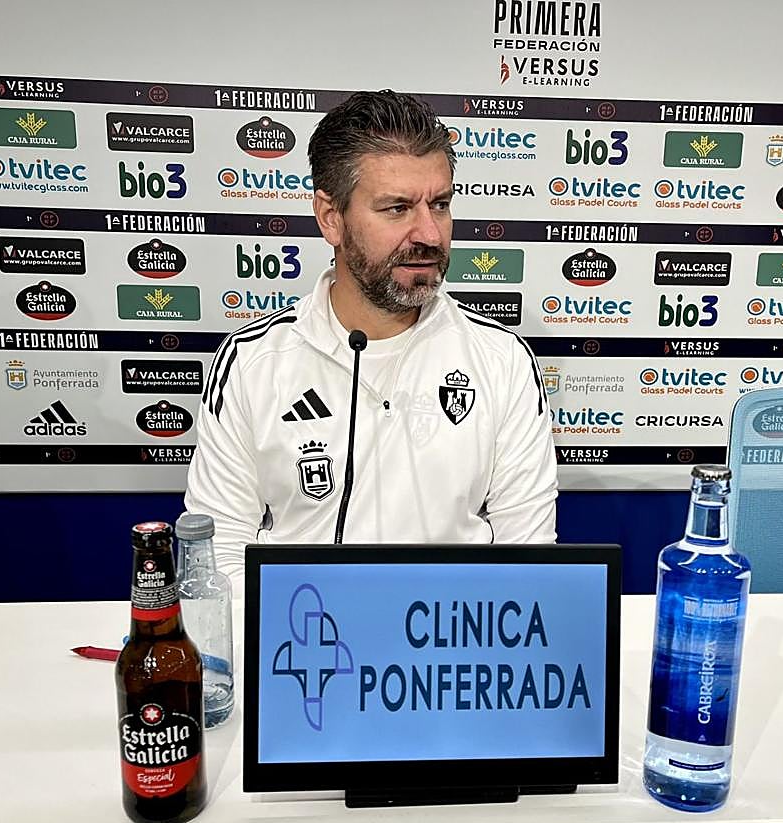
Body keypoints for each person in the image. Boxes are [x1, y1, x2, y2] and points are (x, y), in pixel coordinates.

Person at [184, 90, 557, 578]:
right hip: (303, 635)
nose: (429, 233)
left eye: (439, 205)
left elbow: (528, 557)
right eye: (397, 208)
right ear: (330, 218)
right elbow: (220, 556)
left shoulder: (500, 358)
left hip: (453, 643)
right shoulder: (254, 362)